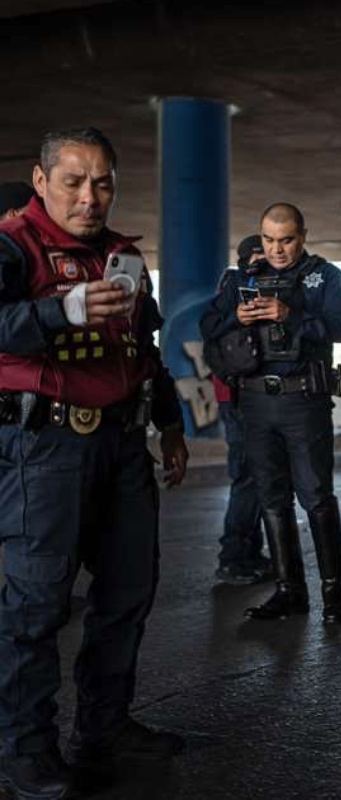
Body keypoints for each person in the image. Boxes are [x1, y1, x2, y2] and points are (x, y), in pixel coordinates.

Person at [0, 127, 189, 798]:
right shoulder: (11, 245)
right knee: (35, 603)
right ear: (41, 179)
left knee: (127, 591)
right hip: (43, 448)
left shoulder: (123, 256)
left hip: (121, 441)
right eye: (75, 181)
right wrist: (61, 313)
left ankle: (105, 726)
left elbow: (145, 350)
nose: (90, 196)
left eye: (103, 182)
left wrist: (169, 423)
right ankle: (24, 750)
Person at [200, 203, 341, 625]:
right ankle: (289, 591)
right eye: (269, 239)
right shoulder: (241, 280)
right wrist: (236, 315)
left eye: (286, 240)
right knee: (271, 498)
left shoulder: (324, 276)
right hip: (253, 402)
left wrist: (293, 316)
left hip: (303, 399)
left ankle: (333, 595)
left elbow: (340, 327)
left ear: (302, 236)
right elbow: (207, 328)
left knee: (316, 496)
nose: (277, 249)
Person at [210, 234, 271, 586]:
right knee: (248, 477)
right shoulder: (238, 292)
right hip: (239, 398)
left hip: (240, 396)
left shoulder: (231, 290)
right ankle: (233, 556)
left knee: (258, 478)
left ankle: (250, 554)